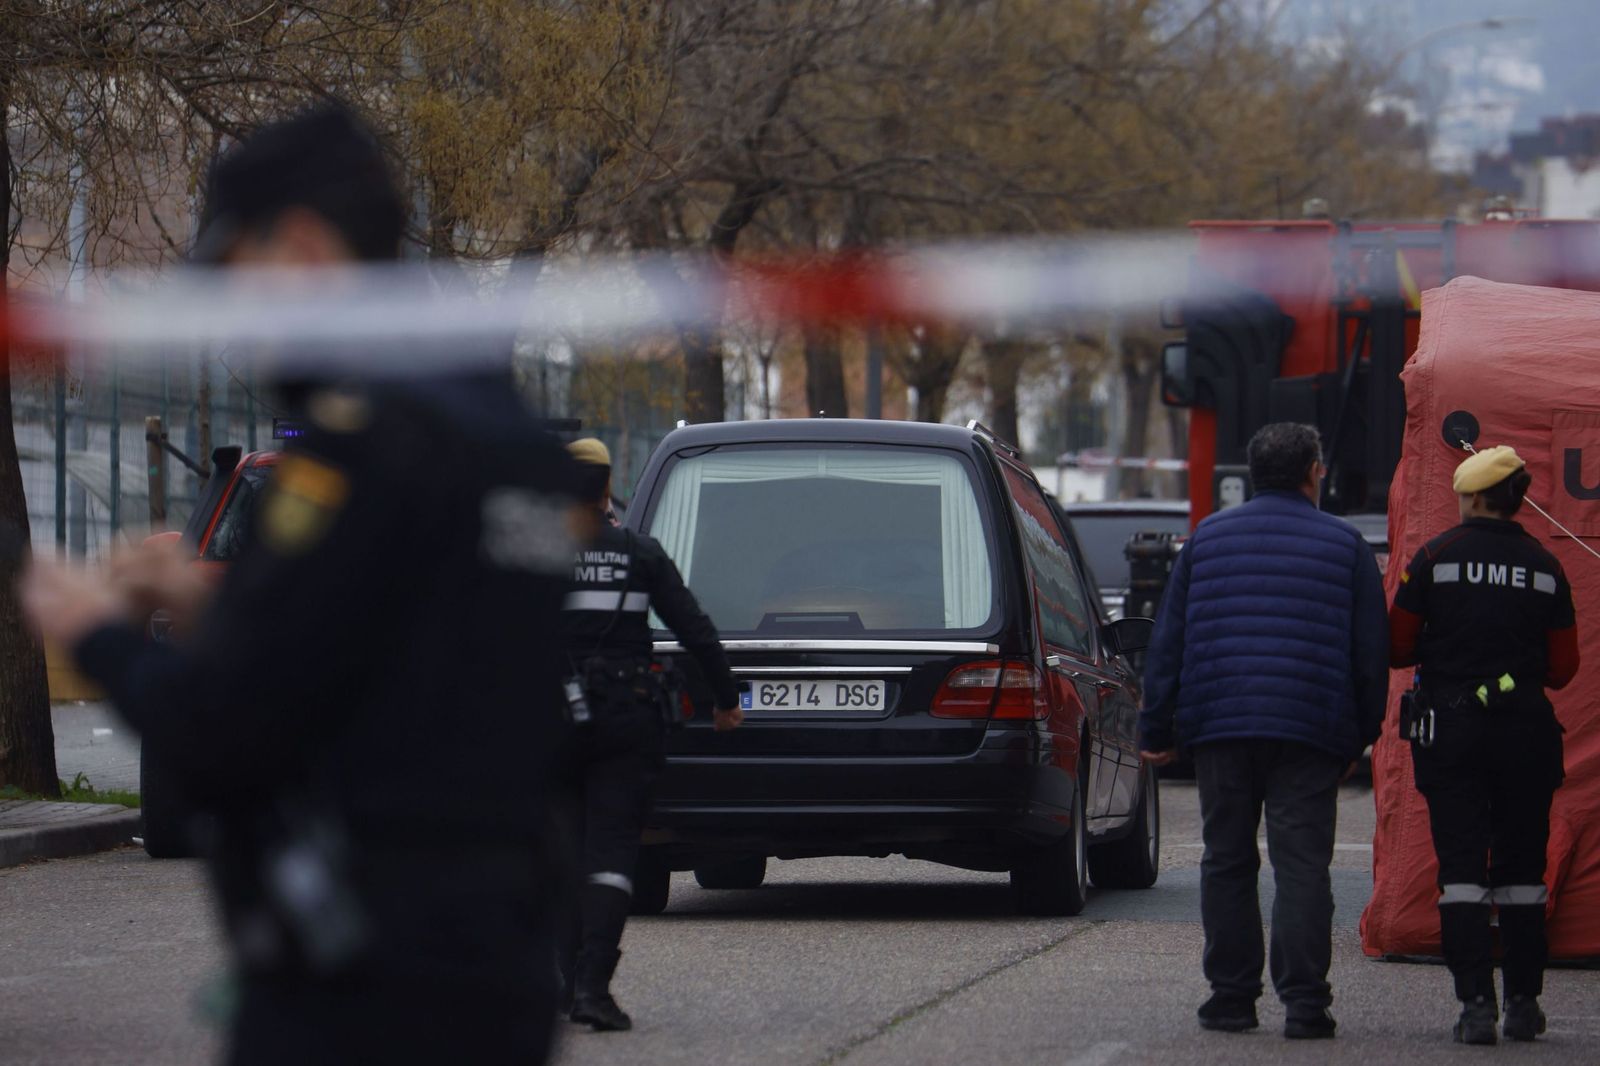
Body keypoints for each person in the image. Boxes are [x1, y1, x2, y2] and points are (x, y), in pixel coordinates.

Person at [21, 106, 583, 1065]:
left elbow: (224, 734)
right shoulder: (511, 442)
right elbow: (407, 641)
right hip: (503, 962)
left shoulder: (363, 449)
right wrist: (220, 604)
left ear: (303, 244)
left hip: (362, 981)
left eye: (234, 275)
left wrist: (91, 629)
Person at [1138, 422, 1388, 1040]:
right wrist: (1360, 734)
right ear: (1315, 472)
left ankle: (1231, 997)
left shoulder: (1207, 541)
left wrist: (1156, 725)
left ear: (1253, 475)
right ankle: (1305, 1004)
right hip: (1309, 727)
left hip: (1221, 725)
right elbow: (1370, 652)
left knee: (1226, 859)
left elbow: (1169, 642)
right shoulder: (1345, 545)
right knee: (1303, 865)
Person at [1389, 445, 1578, 1045]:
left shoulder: (1436, 557)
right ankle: (1524, 1003)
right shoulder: (1545, 566)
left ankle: (1474, 1007)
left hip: (1452, 736)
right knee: (1523, 870)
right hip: (1526, 734)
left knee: (1463, 872)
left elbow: (1397, 646)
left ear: (1471, 497)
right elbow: (1563, 668)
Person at [556, 438, 742, 1031]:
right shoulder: (639, 553)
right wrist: (726, 699)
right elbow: (694, 627)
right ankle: (592, 986)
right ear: (608, 488)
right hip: (625, 719)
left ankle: (564, 983)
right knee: (611, 850)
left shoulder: (537, 557)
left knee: (561, 850)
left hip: (550, 720)